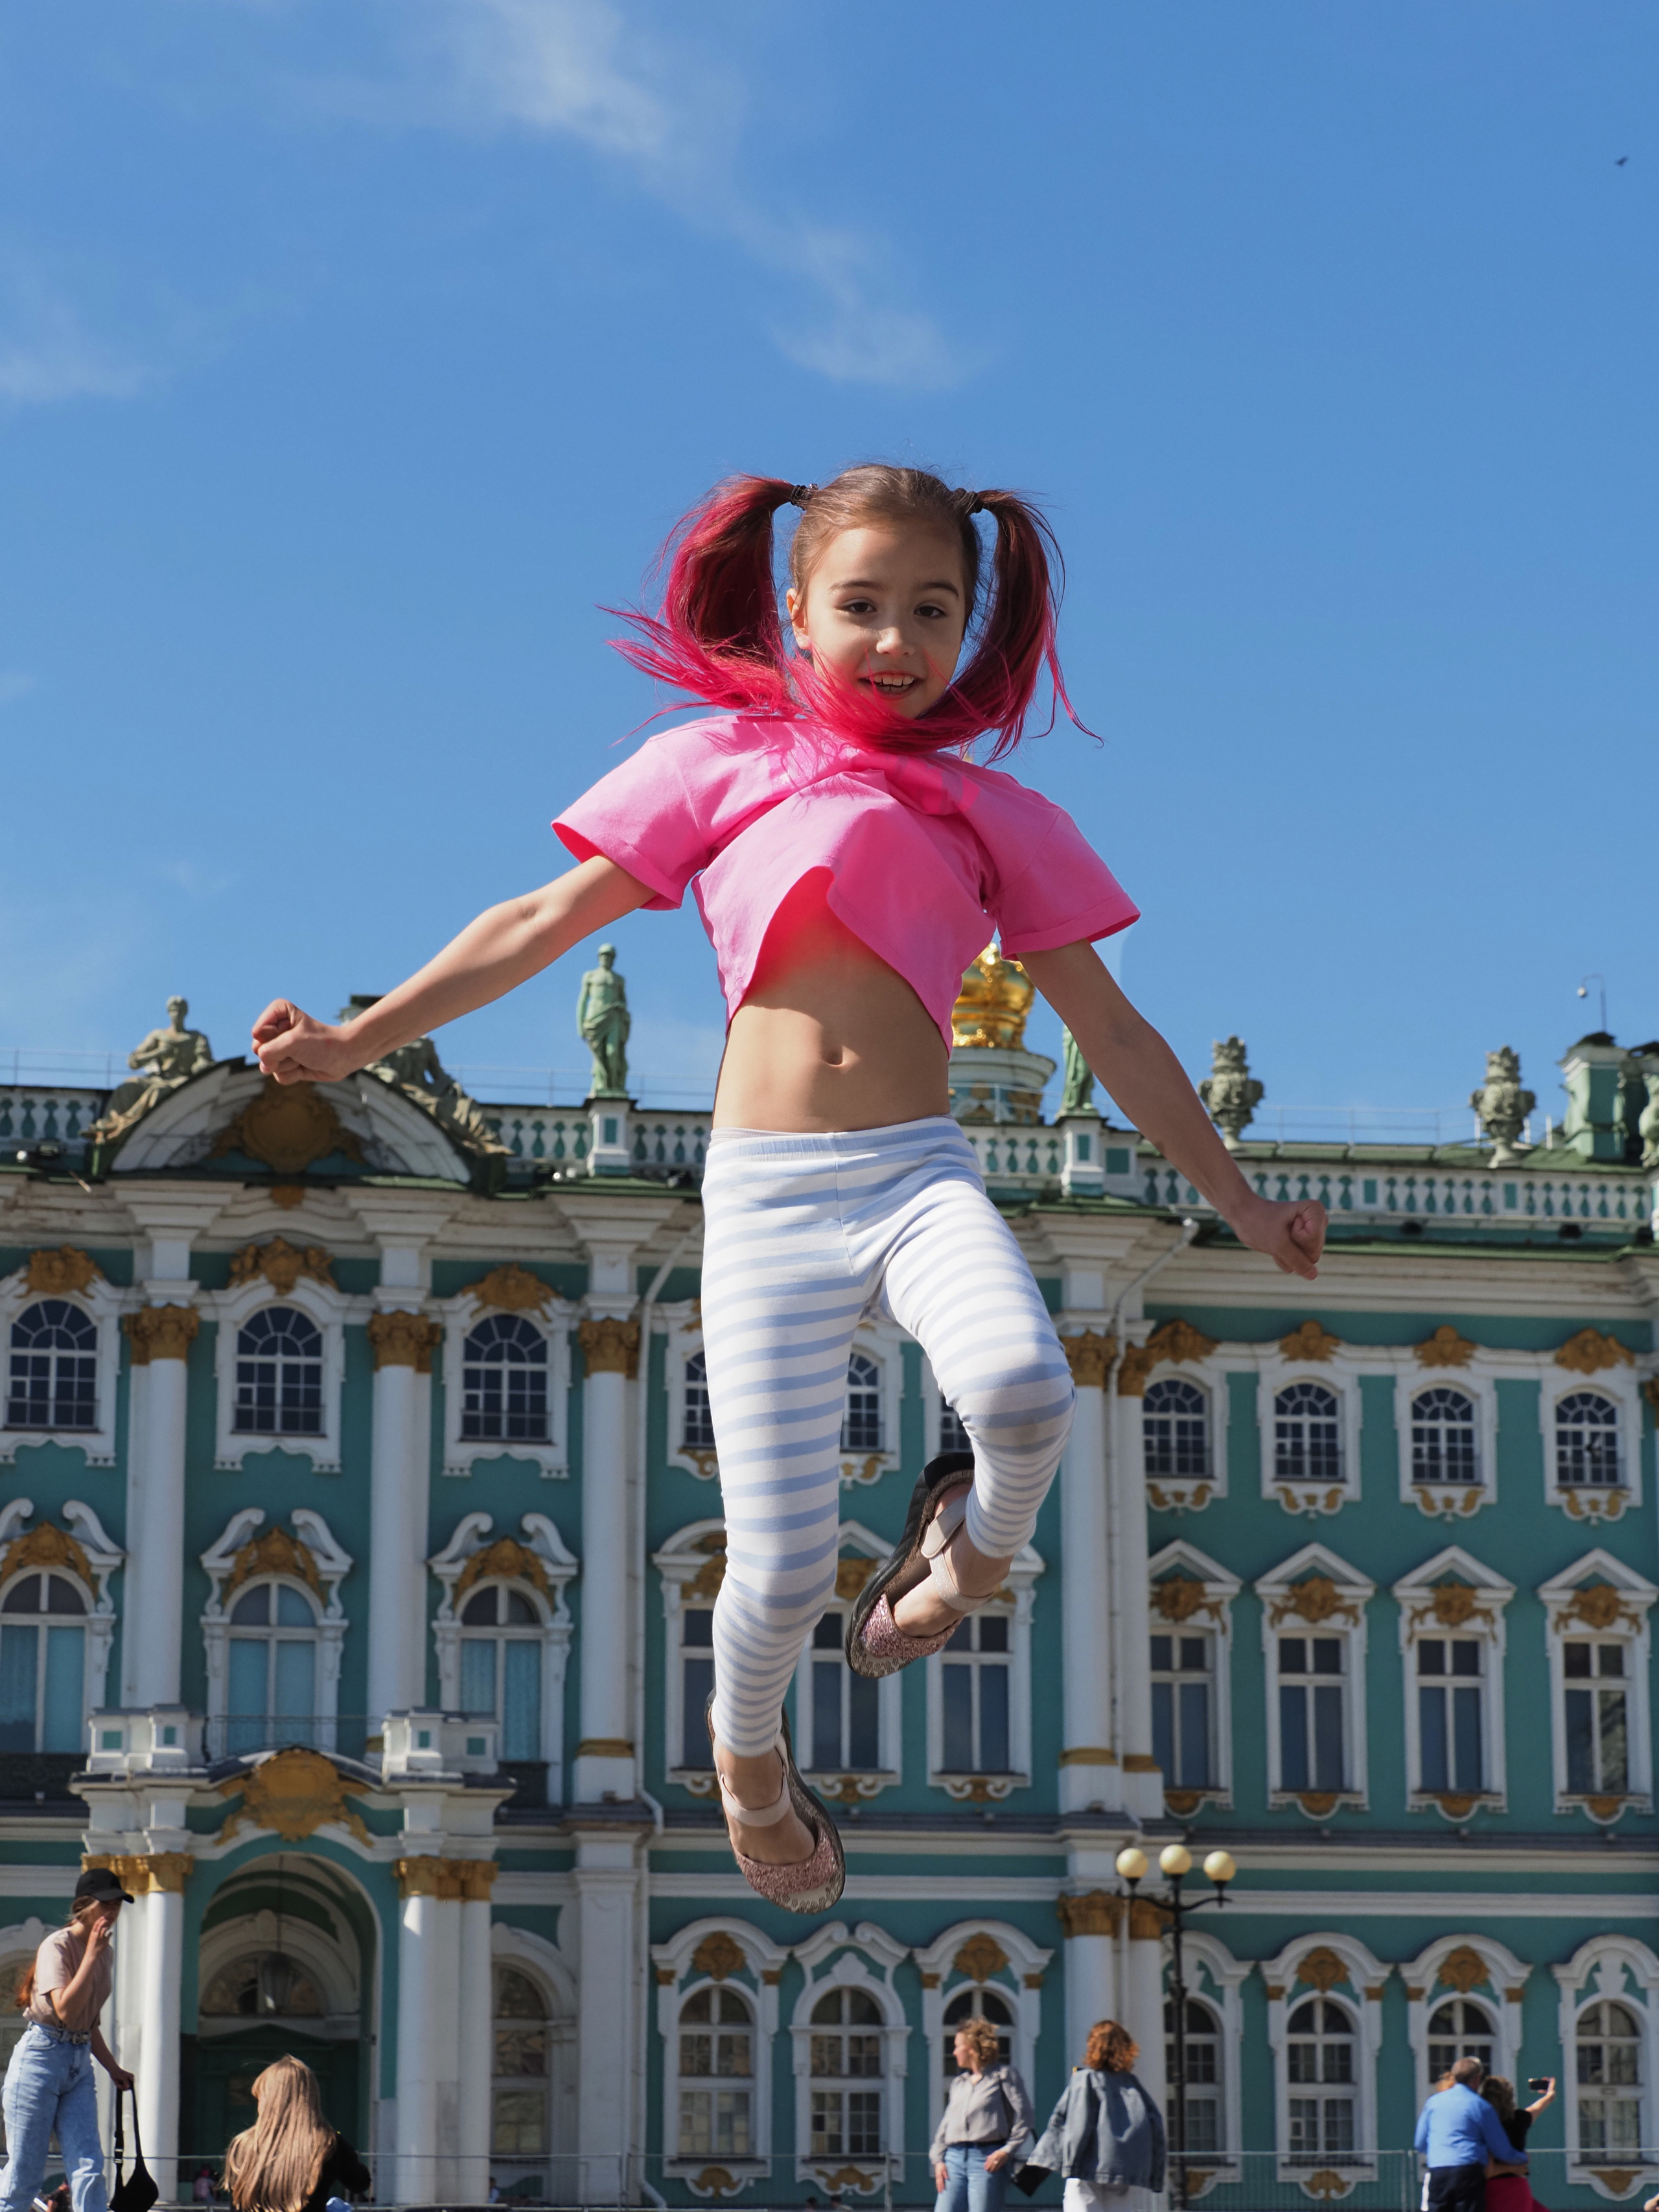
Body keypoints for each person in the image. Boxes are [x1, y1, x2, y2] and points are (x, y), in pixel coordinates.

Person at [250, 463, 1327, 1911]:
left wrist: (1241, 1203)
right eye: (862, 605)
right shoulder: (714, 763)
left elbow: (1116, 1037)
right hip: (760, 1193)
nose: (894, 637)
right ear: (796, 614)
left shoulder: (991, 811)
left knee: (1021, 1389)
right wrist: (356, 1040)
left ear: (971, 625)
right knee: (781, 1555)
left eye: (930, 609)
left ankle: (954, 1567)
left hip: (915, 1169)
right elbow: (534, 920)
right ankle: (747, 1760)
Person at [1, 1866, 136, 2212]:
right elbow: (63, 2009)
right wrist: (90, 1955)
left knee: (90, 2167)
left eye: (118, 1905)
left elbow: (88, 2022)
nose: (113, 1912)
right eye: (106, 1905)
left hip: (79, 2060)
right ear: (84, 1906)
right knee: (24, 2175)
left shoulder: (107, 1953)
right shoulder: (57, 1945)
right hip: (40, 2059)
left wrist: (113, 2068)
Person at [1028, 2020, 1165, 2211]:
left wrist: (1069, 2163)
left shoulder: (1084, 2080)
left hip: (1088, 2166)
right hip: (1124, 2169)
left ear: (1093, 2046)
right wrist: (1155, 2175)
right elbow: (1155, 2126)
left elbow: (1075, 2125)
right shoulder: (1133, 2084)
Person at [223, 2056, 370, 2212]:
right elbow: (360, 2182)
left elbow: (237, 2204)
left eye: (260, 2098)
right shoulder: (327, 2143)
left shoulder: (243, 2145)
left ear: (269, 2101)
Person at [930, 2018, 1034, 2212]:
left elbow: (1025, 2116)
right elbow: (946, 2126)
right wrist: (938, 2160)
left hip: (987, 2159)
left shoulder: (1004, 2076)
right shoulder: (959, 2083)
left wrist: (1007, 2150)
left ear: (971, 2048)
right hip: (953, 2159)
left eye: (957, 2046)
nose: (953, 2052)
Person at [1415, 2055, 1527, 2212]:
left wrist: (1442, 2151)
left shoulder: (1433, 2102)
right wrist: (1522, 2158)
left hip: (1438, 2172)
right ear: (1476, 2079)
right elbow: (1501, 2149)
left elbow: (1420, 2143)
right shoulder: (1481, 2106)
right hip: (1467, 2174)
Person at [1481, 2076, 1553, 2212]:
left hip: (1492, 2190)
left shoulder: (1483, 2123)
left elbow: (1488, 2171)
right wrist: (1549, 2095)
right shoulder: (1519, 2118)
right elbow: (1535, 2109)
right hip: (1519, 2188)